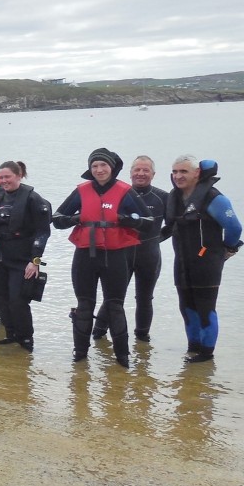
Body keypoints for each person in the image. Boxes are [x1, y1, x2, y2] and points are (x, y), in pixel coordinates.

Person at [52, 147, 149, 367]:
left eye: (103, 165)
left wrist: (127, 219)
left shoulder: (125, 191)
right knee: (84, 305)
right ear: (90, 169)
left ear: (112, 168)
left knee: (115, 305)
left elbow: (149, 220)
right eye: (94, 166)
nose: (99, 169)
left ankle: (122, 358)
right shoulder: (81, 191)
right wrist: (76, 218)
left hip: (114, 256)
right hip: (85, 255)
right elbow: (57, 218)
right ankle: (80, 355)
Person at [163, 155, 241, 362]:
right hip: (182, 261)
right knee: (186, 307)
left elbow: (234, 227)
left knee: (205, 308)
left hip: (207, 262)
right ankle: (192, 348)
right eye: (175, 172)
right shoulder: (175, 198)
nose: (178, 176)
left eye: (183, 172)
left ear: (197, 173)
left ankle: (206, 355)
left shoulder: (213, 198)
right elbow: (169, 227)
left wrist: (229, 249)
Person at [0, 161, 51, 351]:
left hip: (22, 260)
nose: (4, 181)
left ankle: (26, 339)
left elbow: (43, 233)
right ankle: (11, 334)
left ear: (19, 176)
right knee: (0, 299)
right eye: (1, 177)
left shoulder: (33, 199)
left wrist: (35, 262)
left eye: (8, 177)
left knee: (18, 300)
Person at [92, 155, 167, 343]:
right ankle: (98, 333)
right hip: (121, 254)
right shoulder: (119, 193)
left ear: (153, 174)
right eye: (137, 170)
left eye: (145, 170)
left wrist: (157, 238)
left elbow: (173, 225)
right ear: (130, 173)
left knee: (144, 298)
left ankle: (142, 340)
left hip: (149, 254)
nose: (141, 174)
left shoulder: (163, 197)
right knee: (113, 298)